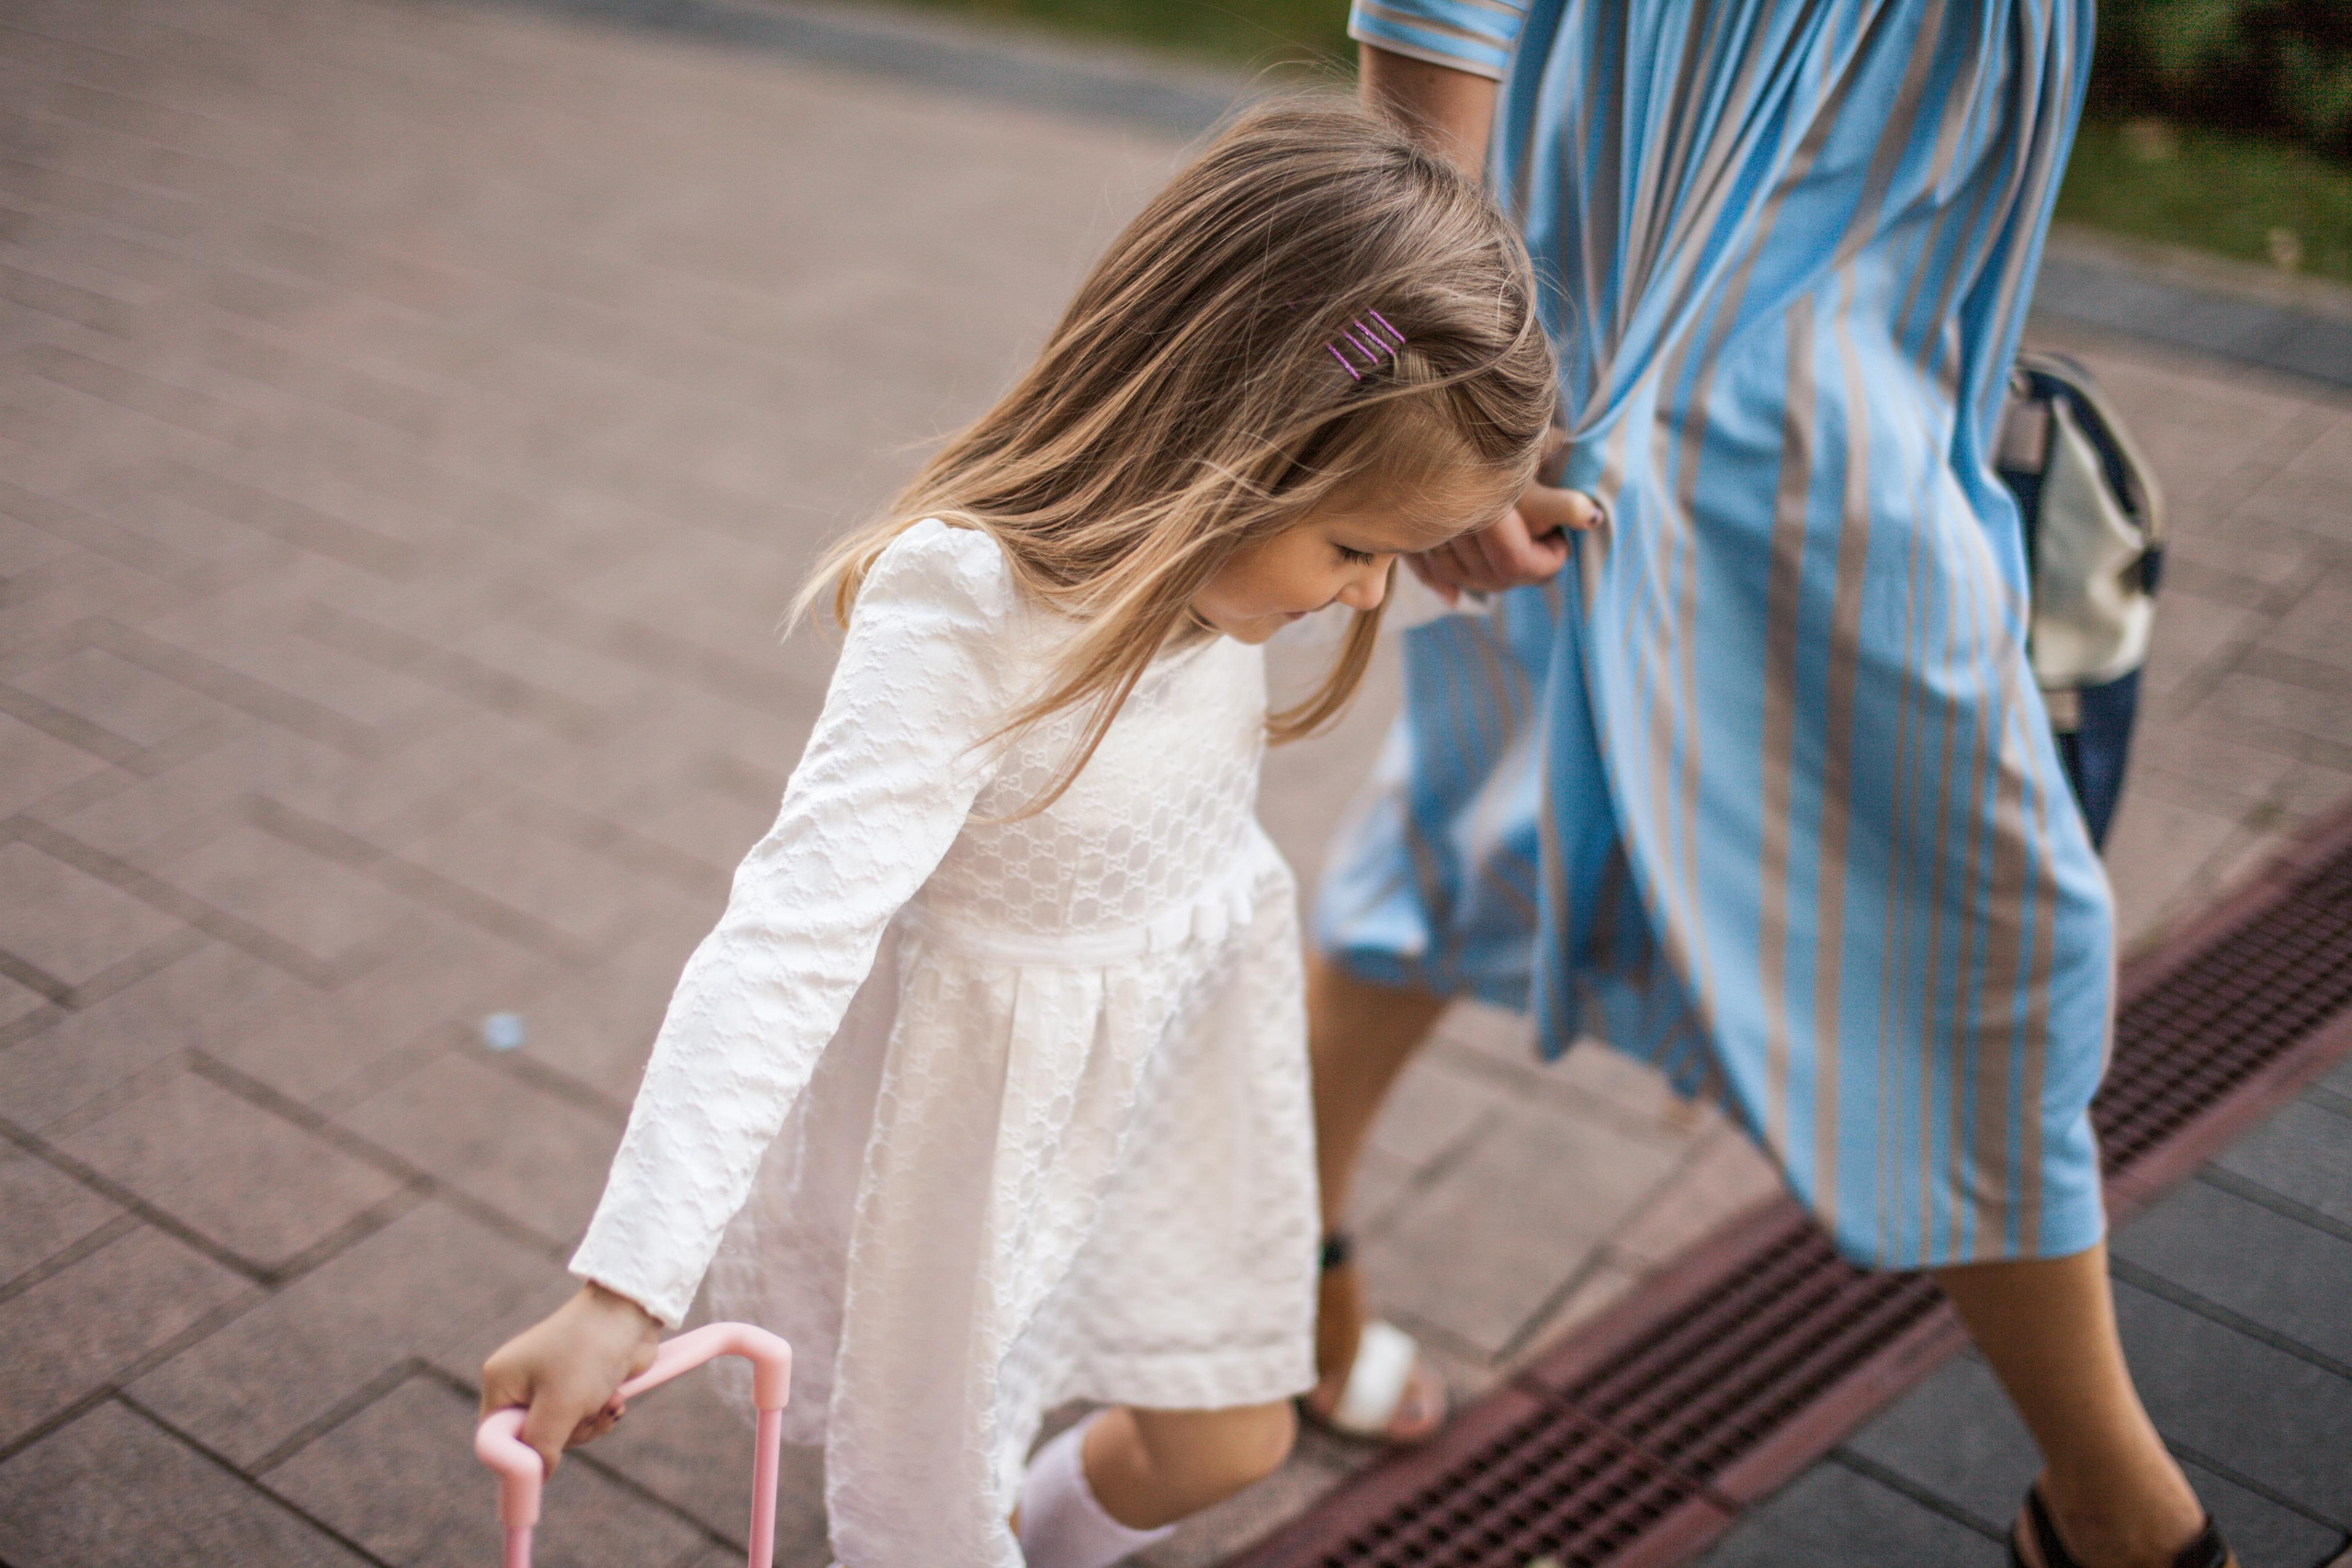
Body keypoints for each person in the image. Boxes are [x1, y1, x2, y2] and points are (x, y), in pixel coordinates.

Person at [476, 102, 1555, 1568]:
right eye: (1356, 551)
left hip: (1176, 1078)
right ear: (1234, 459)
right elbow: (787, 935)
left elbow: (1358, 414)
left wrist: (1451, 512)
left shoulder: (1245, 541)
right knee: (933, 1514)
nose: (1368, 595)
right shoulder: (969, 614)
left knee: (1233, 1430)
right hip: (973, 1151)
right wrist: (623, 1288)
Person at [1303, 7, 2237, 1568]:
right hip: (1671, 413)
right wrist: (1428, 393)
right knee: (1996, 942)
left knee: (1468, 838)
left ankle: (1282, 1279)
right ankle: (2120, 1517)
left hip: (1810, 375)